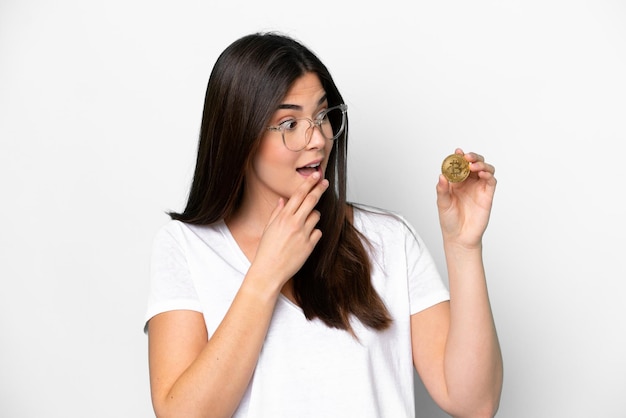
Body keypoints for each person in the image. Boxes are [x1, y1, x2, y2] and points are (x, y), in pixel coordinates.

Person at [144, 32, 503, 418]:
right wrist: (265, 274)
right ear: (240, 134)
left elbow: (474, 403)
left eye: (321, 115)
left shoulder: (388, 238)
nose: (317, 138)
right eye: (289, 123)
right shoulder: (186, 247)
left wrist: (463, 247)